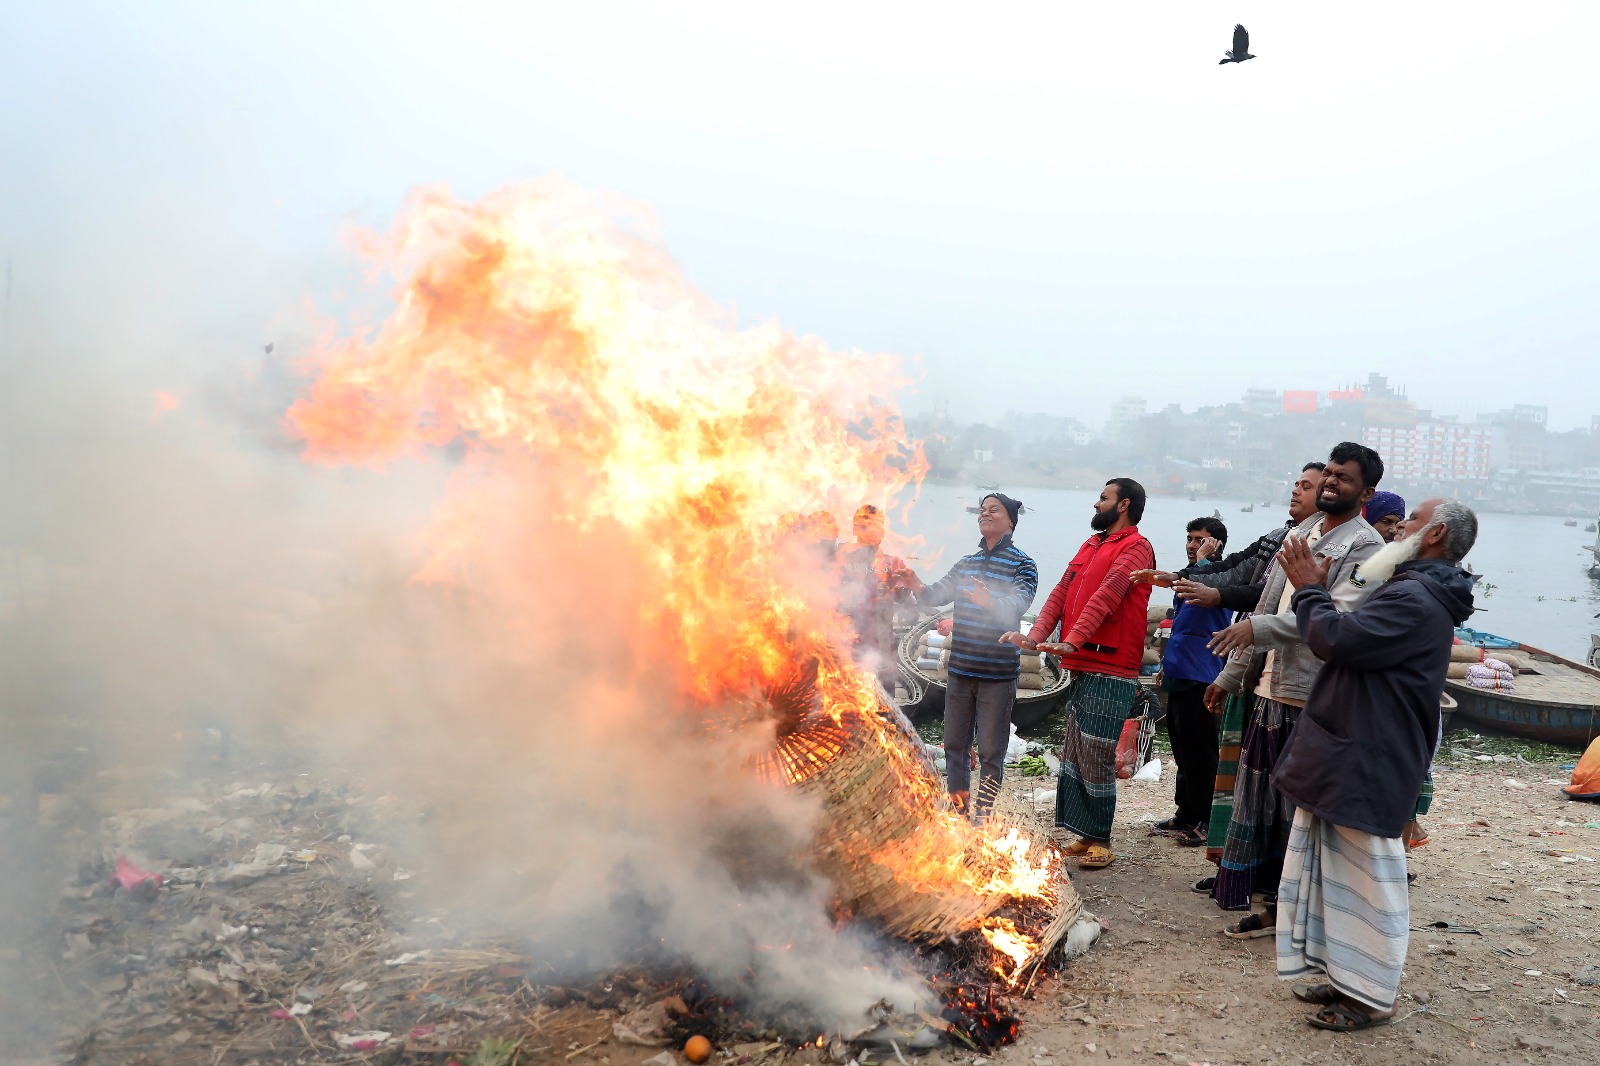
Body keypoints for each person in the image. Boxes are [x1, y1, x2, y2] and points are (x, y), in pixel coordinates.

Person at [1271, 497, 1479, 1031]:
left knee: (1368, 874)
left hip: (1371, 750)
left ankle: (1369, 995)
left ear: (1432, 535)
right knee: (1331, 862)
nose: (1398, 526)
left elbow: (1336, 639)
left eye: (1409, 521)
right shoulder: (1415, 588)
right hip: (1356, 742)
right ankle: (1344, 974)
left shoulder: (1416, 597)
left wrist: (1310, 588)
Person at [1202, 443, 1386, 936]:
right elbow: (1267, 602)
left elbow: (1335, 621)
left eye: (1342, 478)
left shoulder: (1366, 549)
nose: (1330, 482)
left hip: (1315, 697)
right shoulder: (1302, 532)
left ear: (1365, 492)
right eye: (1327, 473)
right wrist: (1231, 675)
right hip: (1269, 690)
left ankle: (1302, 912)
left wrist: (1256, 630)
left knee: (1297, 815)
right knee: (1258, 804)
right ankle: (1270, 903)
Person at [1001, 478, 1155, 870]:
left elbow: (1109, 594)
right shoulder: (1091, 545)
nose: (1096, 503)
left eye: (1103, 498)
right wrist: (1036, 637)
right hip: (1082, 660)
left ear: (1123, 505)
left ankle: (1100, 837)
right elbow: (1060, 592)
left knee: (1099, 751)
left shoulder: (1137, 548)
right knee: (1077, 749)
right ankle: (1084, 835)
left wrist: (1072, 639)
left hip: (1112, 665)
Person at [902, 493, 1037, 819]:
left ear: (1011, 522)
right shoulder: (967, 564)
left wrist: (988, 599)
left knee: (991, 752)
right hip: (961, 669)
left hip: (998, 673)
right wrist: (913, 582)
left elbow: (1018, 606)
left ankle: (984, 816)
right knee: (955, 747)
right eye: (983, 509)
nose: (985, 513)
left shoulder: (1024, 565)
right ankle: (959, 812)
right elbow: (934, 596)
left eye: (994, 510)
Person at [1134, 462, 1327, 616]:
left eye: (1306, 487)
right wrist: (1177, 577)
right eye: (1296, 485)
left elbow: (1274, 592)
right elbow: (1233, 567)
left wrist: (1217, 594)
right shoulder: (1278, 536)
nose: (1295, 491)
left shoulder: (1321, 544)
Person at [1155, 517, 1232, 847]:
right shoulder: (1188, 576)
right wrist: (1165, 666)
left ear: (1215, 546)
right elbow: (1181, 628)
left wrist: (1203, 562)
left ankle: (1207, 819)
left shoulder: (1220, 577)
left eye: (1199, 539)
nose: (1191, 544)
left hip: (1202, 673)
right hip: (1179, 670)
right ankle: (1185, 811)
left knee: (1201, 751)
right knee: (1182, 748)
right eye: (1189, 538)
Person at [839, 505, 908, 694]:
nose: (872, 530)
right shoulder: (841, 560)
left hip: (882, 650)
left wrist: (903, 589)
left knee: (885, 708)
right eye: (865, 525)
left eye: (877, 524)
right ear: (855, 529)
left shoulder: (892, 563)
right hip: (847, 650)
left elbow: (906, 598)